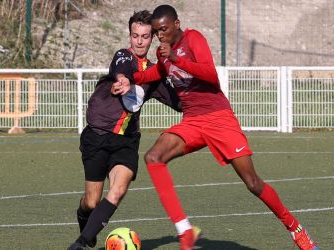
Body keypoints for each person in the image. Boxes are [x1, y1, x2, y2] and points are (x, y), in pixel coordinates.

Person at [112, 4, 318, 250]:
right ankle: (184, 229)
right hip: (193, 121)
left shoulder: (193, 38)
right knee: (154, 156)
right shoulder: (163, 53)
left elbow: (211, 75)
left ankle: (296, 230)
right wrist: (129, 78)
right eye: (156, 32)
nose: (160, 36)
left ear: (177, 24)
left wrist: (177, 58)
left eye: (163, 30)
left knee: (253, 183)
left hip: (220, 119)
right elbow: (157, 72)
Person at [67, 10, 181, 250]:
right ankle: (83, 217)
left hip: (126, 142)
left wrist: (198, 91)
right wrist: (124, 80)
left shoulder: (155, 73)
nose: (139, 41)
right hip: (97, 136)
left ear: (152, 39)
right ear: (129, 36)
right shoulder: (123, 56)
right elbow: (122, 69)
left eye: (145, 36)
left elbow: (178, 102)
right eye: (135, 35)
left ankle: (78, 244)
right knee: (91, 201)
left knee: (117, 192)